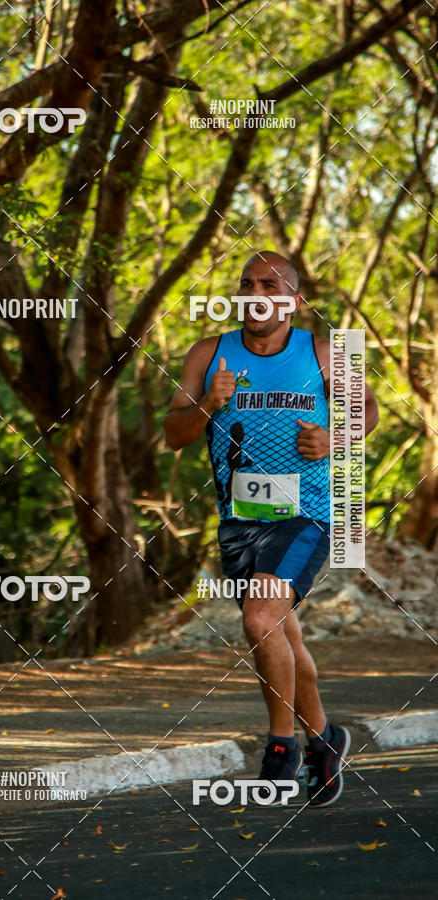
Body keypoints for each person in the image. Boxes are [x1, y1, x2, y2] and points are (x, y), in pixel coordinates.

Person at [163, 250, 380, 807]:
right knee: (280, 635)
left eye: (270, 285)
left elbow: (368, 412)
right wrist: (208, 404)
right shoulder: (209, 353)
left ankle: (281, 749)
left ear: (294, 301)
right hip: (238, 522)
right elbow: (174, 434)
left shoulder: (323, 353)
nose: (256, 294)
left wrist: (335, 438)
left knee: (260, 618)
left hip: (307, 515)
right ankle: (325, 739)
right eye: (247, 284)